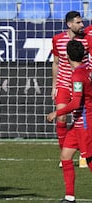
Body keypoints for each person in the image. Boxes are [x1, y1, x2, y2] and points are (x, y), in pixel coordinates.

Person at [47, 40, 92, 203]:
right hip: (78, 123)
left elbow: (75, 103)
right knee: (65, 156)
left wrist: (56, 113)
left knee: (89, 160)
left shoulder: (78, 75)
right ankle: (69, 197)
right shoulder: (86, 70)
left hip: (85, 124)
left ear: (67, 57)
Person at [51, 11, 89, 168]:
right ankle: (64, 155)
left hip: (81, 84)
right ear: (69, 24)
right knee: (61, 117)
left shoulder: (87, 40)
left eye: (82, 22)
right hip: (64, 84)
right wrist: (54, 85)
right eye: (79, 22)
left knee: (81, 120)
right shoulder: (57, 40)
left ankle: (84, 152)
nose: (82, 25)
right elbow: (56, 62)